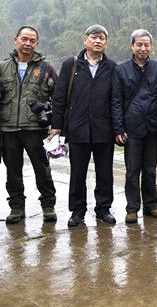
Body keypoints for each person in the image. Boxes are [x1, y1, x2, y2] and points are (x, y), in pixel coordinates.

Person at [50, 24, 118, 228]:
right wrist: (56, 127)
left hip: (103, 129)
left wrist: (117, 129)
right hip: (77, 129)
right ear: (85, 40)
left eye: (102, 38)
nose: (98, 41)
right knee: (78, 172)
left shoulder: (112, 67)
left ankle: (103, 209)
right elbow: (59, 97)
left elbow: (116, 100)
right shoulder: (71, 65)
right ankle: (77, 211)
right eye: (94, 37)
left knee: (105, 172)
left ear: (106, 43)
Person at [0, 26, 58, 224]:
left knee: (42, 168)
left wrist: (55, 121)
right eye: (24, 39)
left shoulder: (46, 67)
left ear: (37, 43)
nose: (28, 44)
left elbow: (58, 96)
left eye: (32, 40)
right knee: (12, 170)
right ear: (15, 39)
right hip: (8, 128)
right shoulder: (3, 67)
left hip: (35, 128)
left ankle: (48, 206)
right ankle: (16, 208)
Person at [111, 29, 157, 224]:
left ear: (151, 46)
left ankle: (151, 205)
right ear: (132, 46)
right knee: (132, 170)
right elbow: (116, 101)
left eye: (146, 45)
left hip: (153, 126)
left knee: (150, 169)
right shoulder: (121, 69)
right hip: (131, 127)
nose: (143, 48)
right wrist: (118, 129)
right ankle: (132, 208)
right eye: (139, 44)